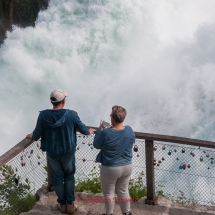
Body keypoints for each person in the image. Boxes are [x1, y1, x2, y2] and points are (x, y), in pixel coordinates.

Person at [26, 89, 95, 214]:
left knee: (57, 178)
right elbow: (84, 130)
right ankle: (70, 204)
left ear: (52, 101)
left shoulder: (43, 115)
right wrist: (90, 131)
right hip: (68, 152)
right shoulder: (72, 114)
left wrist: (31, 136)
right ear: (63, 101)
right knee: (69, 176)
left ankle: (62, 204)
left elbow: (36, 135)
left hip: (52, 153)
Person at [93, 105, 135, 215]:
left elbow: (96, 144)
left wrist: (99, 131)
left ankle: (109, 214)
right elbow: (128, 139)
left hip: (110, 168)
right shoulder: (129, 130)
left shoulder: (106, 133)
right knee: (123, 190)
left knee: (108, 193)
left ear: (112, 118)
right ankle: (126, 213)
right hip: (127, 166)